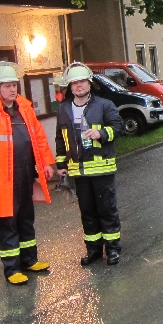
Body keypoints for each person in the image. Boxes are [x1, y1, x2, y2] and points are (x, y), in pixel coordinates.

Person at [0, 62, 56, 285]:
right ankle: (12, 269)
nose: (13, 89)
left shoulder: (24, 109)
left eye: (14, 85)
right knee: (7, 222)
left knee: (26, 218)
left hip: (25, 174)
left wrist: (47, 163)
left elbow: (39, 138)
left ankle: (30, 260)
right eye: (8, 85)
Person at [55, 62, 125, 266]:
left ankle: (112, 250)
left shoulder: (104, 105)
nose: (79, 86)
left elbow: (118, 127)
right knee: (87, 212)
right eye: (75, 82)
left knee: (107, 210)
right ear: (69, 86)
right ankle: (93, 250)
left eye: (82, 81)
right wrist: (61, 164)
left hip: (102, 169)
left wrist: (101, 133)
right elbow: (61, 139)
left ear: (89, 83)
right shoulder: (64, 109)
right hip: (79, 172)